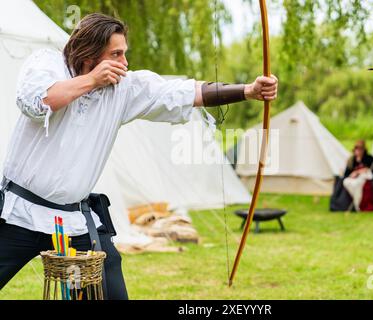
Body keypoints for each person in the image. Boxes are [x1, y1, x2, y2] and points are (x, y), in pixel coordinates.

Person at [0, 13, 278, 299]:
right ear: (90, 53)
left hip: (73, 221)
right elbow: (38, 102)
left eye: (124, 54)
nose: (124, 63)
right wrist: (92, 80)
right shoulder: (47, 64)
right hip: (18, 213)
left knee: (109, 292)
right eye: (116, 54)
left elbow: (183, 93)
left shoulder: (123, 89)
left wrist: (247, 91)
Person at [343, 140, 373, 211]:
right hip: (352, 180)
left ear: (364, 150)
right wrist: (354, 173)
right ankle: (356, 204)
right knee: (348, 182)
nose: (359, 151)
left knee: (358, 184)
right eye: (357, 149)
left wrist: (363, 171)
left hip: (364, 181)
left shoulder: (370, 159)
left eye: (361, 149)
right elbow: (346, 174)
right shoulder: (351, 160)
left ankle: (358, 205)